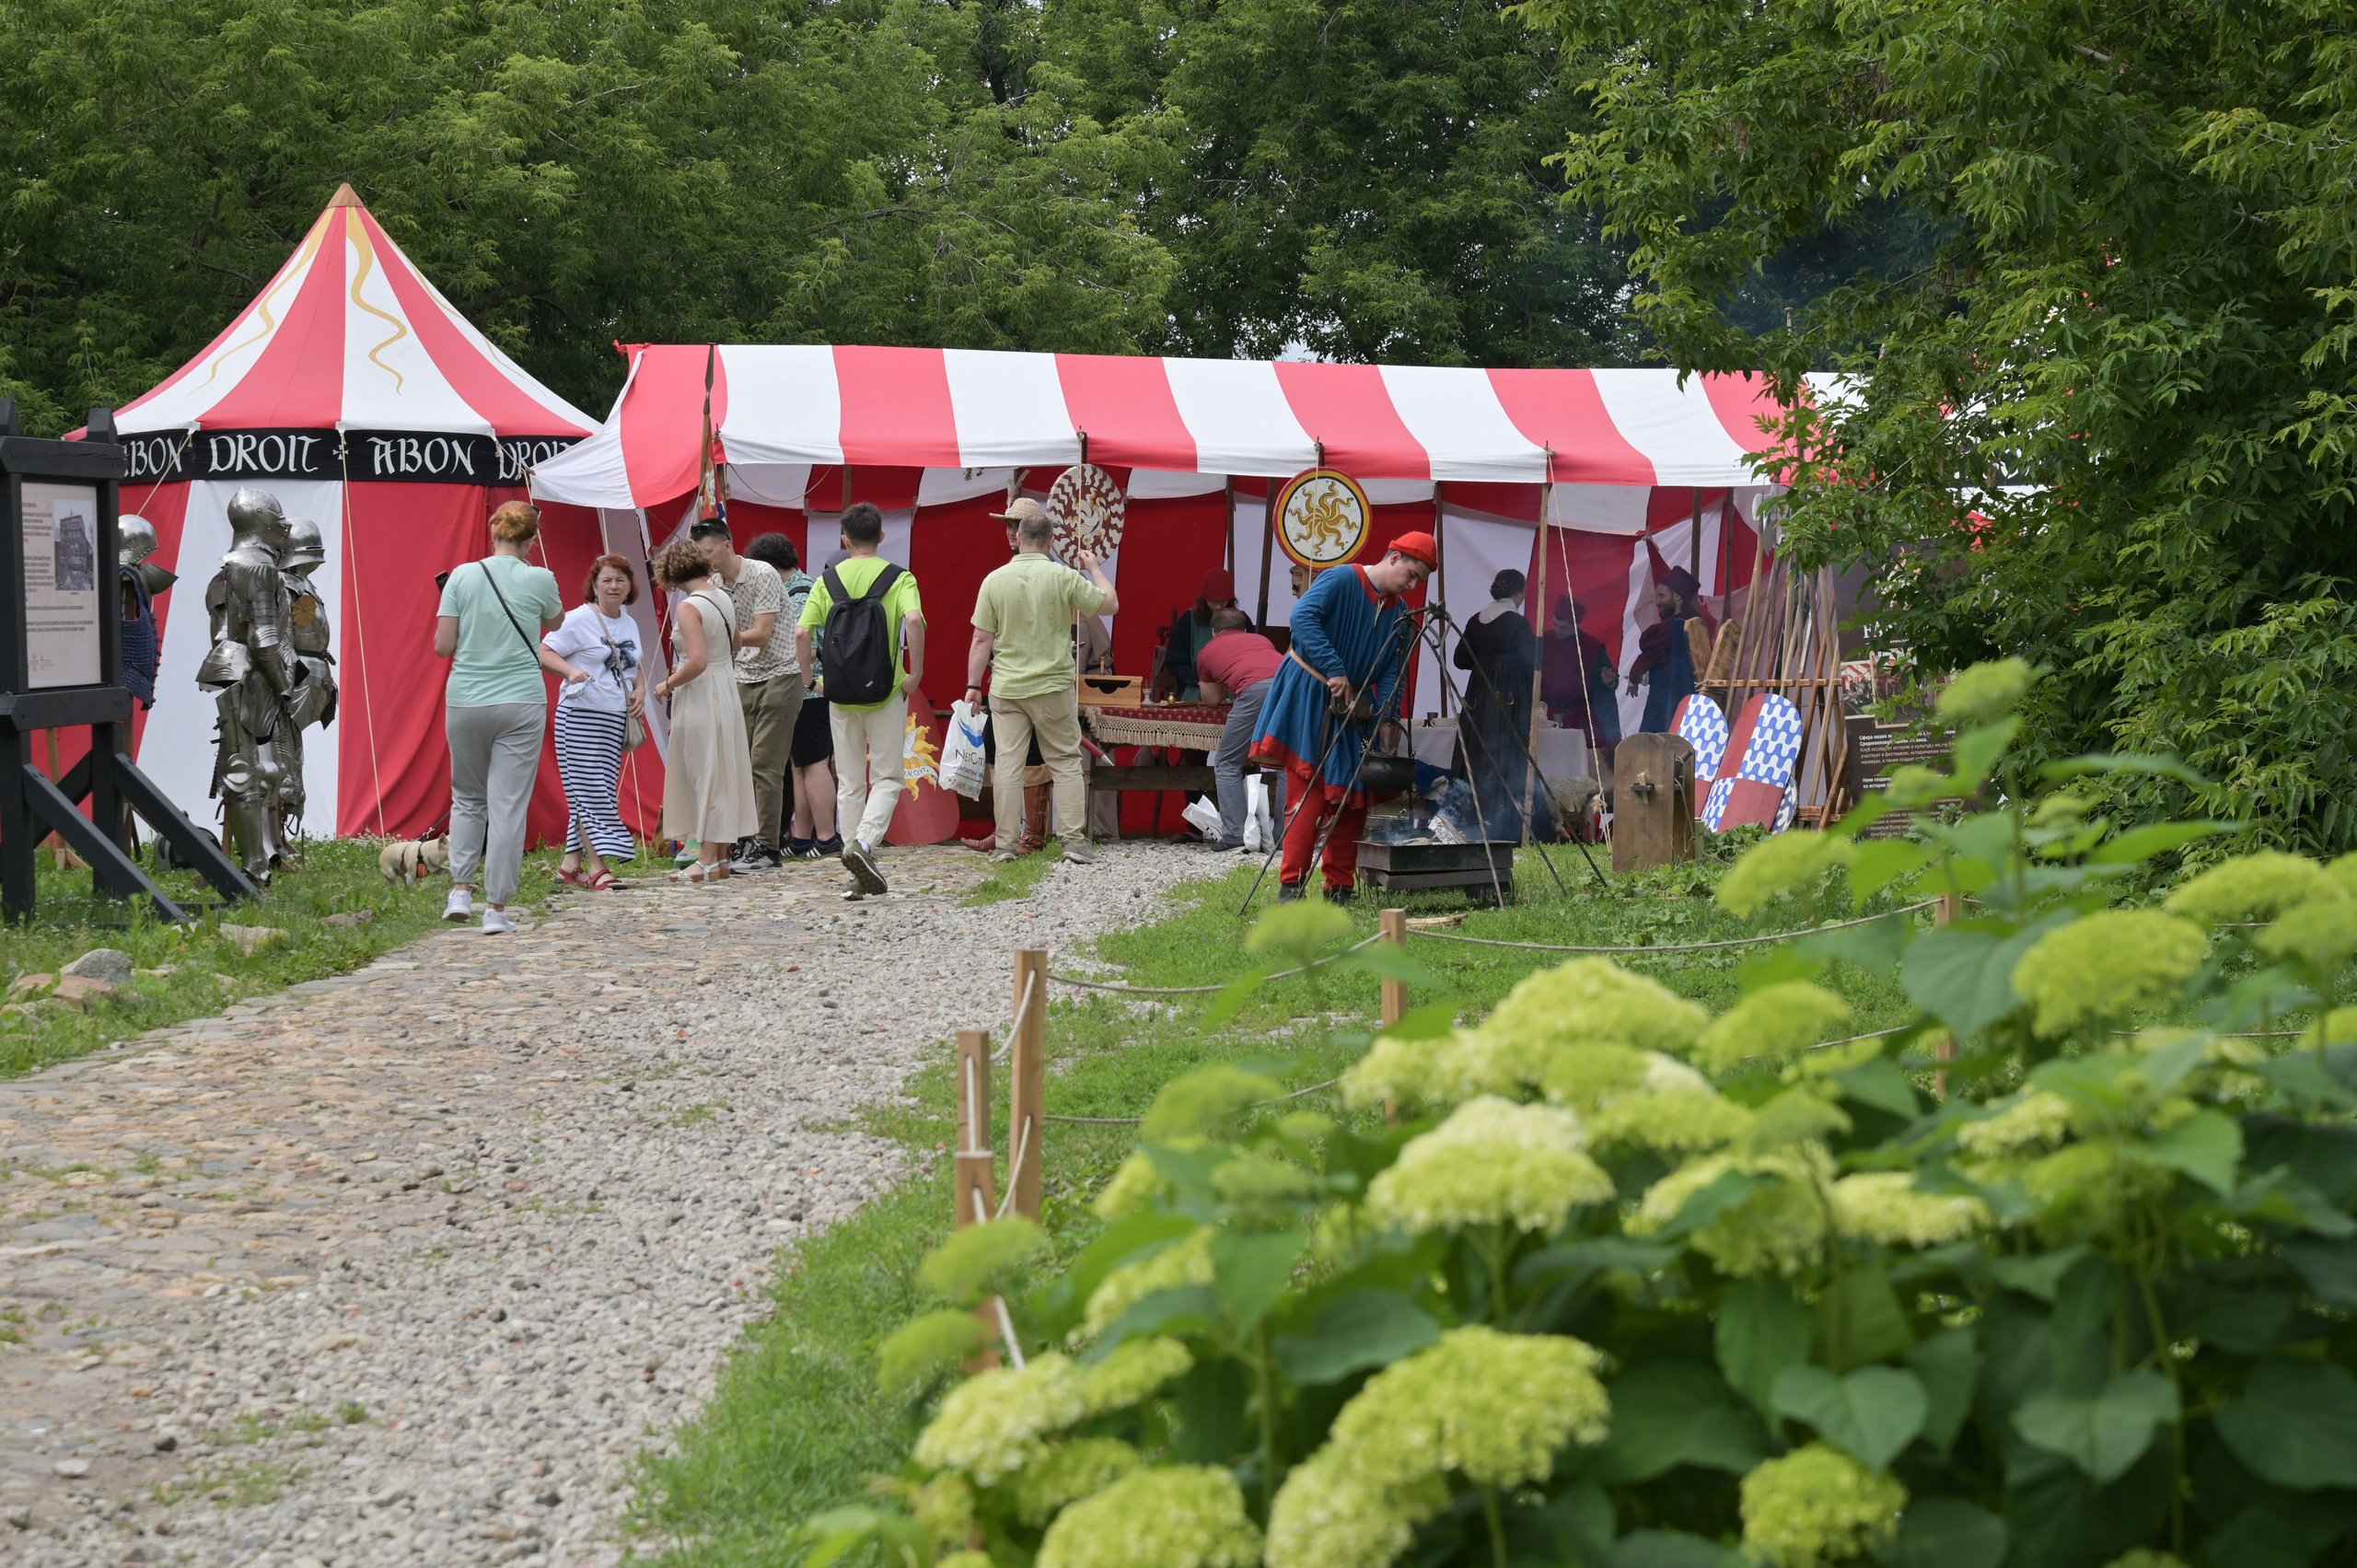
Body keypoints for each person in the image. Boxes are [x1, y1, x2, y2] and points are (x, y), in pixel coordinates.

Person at [1250, 535, 1436, 902]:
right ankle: (1291, 886)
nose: (1412, 585)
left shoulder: (1399, 612)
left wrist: (1387, 715)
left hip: (1356, 710)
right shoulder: (1342, 578)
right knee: (1311, 795)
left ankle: (1340, 887)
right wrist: (1334, 668)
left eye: (1419, 581)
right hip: (1311, 696)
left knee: (1353, 799)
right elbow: (1301, 617)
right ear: (1394, 556)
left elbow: (1392, 672)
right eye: (1411, 574)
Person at [433, 500, 564, 934]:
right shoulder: (540, 577)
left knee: (467, 797)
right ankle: (496, 910)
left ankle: (459, 890)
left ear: (494, 532)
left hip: (466, 698)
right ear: (532, 540)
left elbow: (443, 646)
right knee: (507, 806)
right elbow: (555, 619)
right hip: (521, 700)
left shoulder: (461, 576)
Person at [969, 504, 1118, 864]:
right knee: (1065, 761)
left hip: (1006, 687)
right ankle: (1073, 842)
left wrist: (974, 685)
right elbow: (1110, 605)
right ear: (1051, 542)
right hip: (1052, 685)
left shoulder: (993, 580)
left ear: (1018, 539)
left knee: (1007, 765)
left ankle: (1005, 846)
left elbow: (980, 640)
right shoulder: (1064, 578)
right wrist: (1094, 568)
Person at [795, 503, 924, 897]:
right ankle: (863, 845)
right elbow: (914, 621)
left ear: (844, 539)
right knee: (887, 777)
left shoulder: (827, 581)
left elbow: (802, 635)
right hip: (885, 691)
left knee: (850, 782)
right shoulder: (900, 578)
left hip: (838, 694)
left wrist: (810, 680)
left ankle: (854, 870)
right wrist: (914, 673)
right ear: (882, 537)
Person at [691, 518, 796, 873]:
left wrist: (722, 638)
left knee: (766, 764)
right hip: (741, 675)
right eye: (699, 554)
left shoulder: (763, 573)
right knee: (736, 764)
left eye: (707, 552)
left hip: (781, 673)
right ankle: (739, 843)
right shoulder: (715, 583)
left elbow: (763, 634)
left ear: (727, 545)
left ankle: (768, 846)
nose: (704, 560)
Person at [650, 540, 758, 882]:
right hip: (725, 686)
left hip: (701, 693)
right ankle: (719, 858)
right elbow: (737, 642)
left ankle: (707, 859)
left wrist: (666, 685)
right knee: (722, 771)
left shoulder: (689, 606)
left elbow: (696, 661)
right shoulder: (721, 596)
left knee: (705, 772)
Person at [540, 554, 648, 890]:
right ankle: (599, 867)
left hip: (614, 718)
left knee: (590, 791)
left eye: (620, 580)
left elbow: (632, 662)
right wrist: (571, 672)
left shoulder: (628, 622)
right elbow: (544, 651)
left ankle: (571, 865)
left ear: (630, 586)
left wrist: (641, 689)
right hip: (580, 717)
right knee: (591, 792)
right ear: (595, 586)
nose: (614, 586)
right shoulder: (578, 619)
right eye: (607, 580)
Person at [747, 534, 832, 857]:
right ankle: (802, 838)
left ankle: (826, 838)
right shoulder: (803, 587)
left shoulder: (798, 594)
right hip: (802, 690)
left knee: (814, 765)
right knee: (800, 766)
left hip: (809, 690)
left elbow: (803, 646)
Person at [1452, 569, 1539, 840]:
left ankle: (1469, 817)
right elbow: (1532, 663)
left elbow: (1460, 660)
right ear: (1518, 592)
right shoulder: (1518, 624)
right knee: (1504, 752)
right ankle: (1503, 821)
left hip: (1479, 694)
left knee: (1477, 750)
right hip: (1508, 696)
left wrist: (1486, 662)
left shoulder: (1476, 621)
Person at [1197, 607, 1284, 852]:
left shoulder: (1206, 651)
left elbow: (1212, 699)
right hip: (1289, 686)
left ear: (1214, 632)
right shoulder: (1261, 639)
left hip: (1254, 691)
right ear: (1245, 629)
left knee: (1226, 764)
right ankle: (1284, 837)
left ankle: (1235, 835)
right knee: (1286, 763)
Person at [1629, 566, 1713, 733]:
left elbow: (1645, 658)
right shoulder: (1698, 627)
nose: (1657, 601)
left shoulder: (1669, 631)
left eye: (1661, 595)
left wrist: (1634, 678)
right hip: (1690, 708)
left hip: (1667, 708)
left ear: (1677, 597)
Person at [1540, 593, 1620, 753]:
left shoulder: (1592, 647)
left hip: (1579, 719)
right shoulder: (1543, 641)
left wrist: (1609, 680)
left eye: (1563, 627)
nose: (1557, 630)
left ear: (1575, 625)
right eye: (1555, 624)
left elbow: (1611, 679)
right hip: (1546, 716)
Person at [1160, 568, 1245, 700]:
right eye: (1213, 602)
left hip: (1234, 691)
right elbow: (1174, 661)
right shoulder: (1189, 620)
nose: (1218, 607)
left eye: (1222, 602)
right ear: (1204, 599)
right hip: (1197, 690)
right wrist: (1202, 679)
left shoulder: (1241, 620)